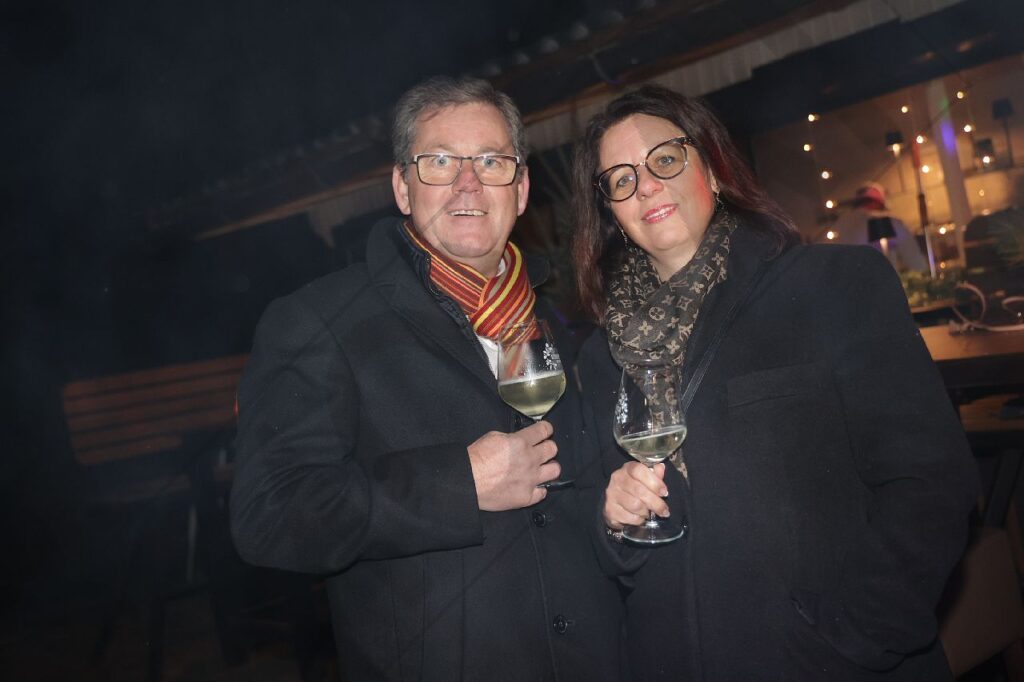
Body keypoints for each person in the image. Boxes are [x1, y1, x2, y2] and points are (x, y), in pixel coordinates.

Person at [570, 85, 978, 681]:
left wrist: (855, 636)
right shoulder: (599, 357)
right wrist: (615, 523)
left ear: (711, 167)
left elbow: (930, 482)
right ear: (611, 211)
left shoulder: (832, 285)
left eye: (665, 159)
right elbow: (606, 543)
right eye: (621, 179)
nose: (647, 185)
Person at [230, 76, 625, 681]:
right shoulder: (316, 321)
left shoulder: (551, 319)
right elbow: (270, 516)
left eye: (490, 161)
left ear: (520, 189)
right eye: (440, 161)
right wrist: (458, 484)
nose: (468, 182)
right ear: (402, 187)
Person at [831, 182, 928, 272]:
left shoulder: (840, 224)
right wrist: (924, 272)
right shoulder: (881, 221)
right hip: (877, 280)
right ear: (878, 202)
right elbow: (913, 257)